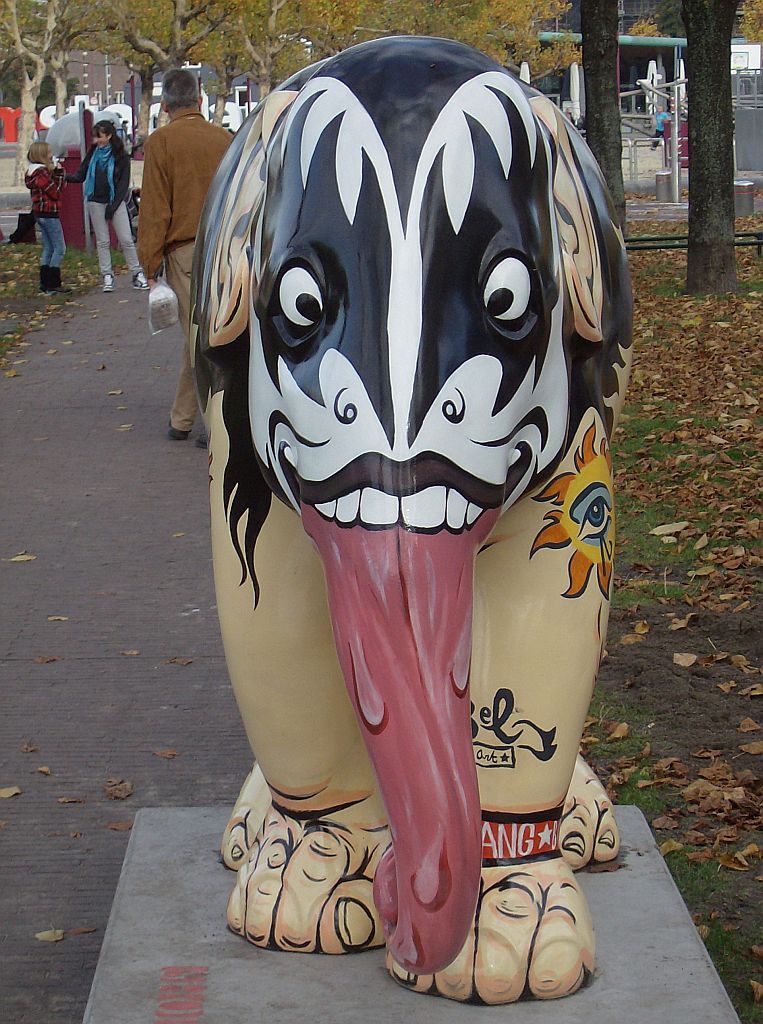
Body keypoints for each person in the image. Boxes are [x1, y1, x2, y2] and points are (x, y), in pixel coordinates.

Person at [137, 69, 231, 446]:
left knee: (199, 339)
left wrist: (150, 260)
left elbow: (156, 207)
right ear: (201, 100)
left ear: (164, 106)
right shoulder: (224, 139)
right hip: (227, 245)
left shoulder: (160, 143)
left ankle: (213, 423)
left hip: (185, 250)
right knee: (207, 334)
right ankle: (182, 417)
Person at [66, 119, 149, 293]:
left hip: (115, 202)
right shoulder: (93, 153)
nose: (97, 141)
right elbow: (80, 175)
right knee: (103, 241)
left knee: (126, 239)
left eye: (100, 137)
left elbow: (122, 183)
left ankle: (137, 272)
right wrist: (62, 175)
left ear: (109, 136)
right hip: (95, 201)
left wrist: (114, 205)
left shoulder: (121, 157)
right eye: (95, 138)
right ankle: (107, 275)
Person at [24, 141, 68, 294]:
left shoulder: (32, 172)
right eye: (49, 152)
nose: (51, 155)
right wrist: (60, 173)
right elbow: (55, 192)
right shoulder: (41, 173)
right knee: (60, 248)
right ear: (42, 155)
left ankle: (44, 283)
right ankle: (53, 283)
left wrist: (55, 173)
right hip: (49, 213)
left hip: (39, 213)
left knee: (48, 247)